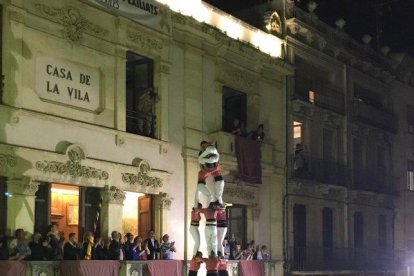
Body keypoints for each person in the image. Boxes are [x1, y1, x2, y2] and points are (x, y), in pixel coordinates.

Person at [195, 141, 225, 208]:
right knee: (213, 195)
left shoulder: (211, 153)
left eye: (204, 145)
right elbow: (201, 163)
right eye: (202, 146)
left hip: (212, 167)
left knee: (214, 195)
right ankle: (216, 205)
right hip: (208, 167)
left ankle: (218, 205)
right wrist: (205, 168)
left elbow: (216, 160)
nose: (203, 147)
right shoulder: (203, 154)